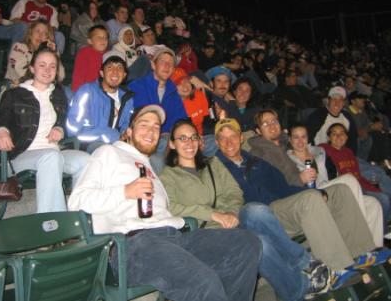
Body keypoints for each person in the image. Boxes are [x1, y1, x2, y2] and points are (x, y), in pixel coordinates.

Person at [68, 105, 261, 301]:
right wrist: (124, 192)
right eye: (144, 125)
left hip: (173, 237)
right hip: (134, 245)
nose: (151, 131)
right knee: (201, 279)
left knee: (246, 243)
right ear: (128, 132)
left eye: (156, 127)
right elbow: (76, 202)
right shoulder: (108, 153)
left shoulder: (150, 167)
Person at [160, 119, 332, 301]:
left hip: (233, 221)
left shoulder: (212, 164)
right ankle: (299, 288)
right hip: (207, 232)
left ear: (200, 141)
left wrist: (231, 213)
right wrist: (213, 214)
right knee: (259, 242)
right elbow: (171, 207)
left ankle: (305, 262)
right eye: (182, 138)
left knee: (255, 210)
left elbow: (234, 192)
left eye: (193, 137)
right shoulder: (167, 177)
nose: (189, 143)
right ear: (172, 143)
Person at [215, 118, 390, 272]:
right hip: (263, 215)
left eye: (233, 136)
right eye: (223, 138)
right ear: (216, 142)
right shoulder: (215, 168)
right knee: (310, 200)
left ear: (241, 138)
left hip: (285, 206)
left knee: (339, 191)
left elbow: (284, 187)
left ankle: (360, 254)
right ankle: (336, 267)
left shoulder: (257, 163)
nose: (228, 142)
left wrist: (316, 191)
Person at [0, 47, 89, 213]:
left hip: (54, 152)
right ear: (32, 68)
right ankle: (53, 223)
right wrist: (1, 131)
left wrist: (59, 128)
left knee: (86, 160)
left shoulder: (59, 95)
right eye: (42, 65)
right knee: (51, 157)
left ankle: (77, 213)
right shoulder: (15, 94)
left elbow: (62, 120)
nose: (47, 70)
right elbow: (0, 119)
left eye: (52, 66)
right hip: (21, 154)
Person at [287, 123, 383, 246]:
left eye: (303, 136)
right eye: (296, 137)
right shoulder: (287, 159)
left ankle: (374, 249)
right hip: (312, 194)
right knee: (348, 179)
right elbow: (290, 182)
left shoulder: (319, 151)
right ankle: (359, 238)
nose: (300, 141)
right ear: (290, 139)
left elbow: (333, 173)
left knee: (373, 204)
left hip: (329, 188)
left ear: (308, 138)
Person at [319, 123, 391, 233]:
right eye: (334, 134)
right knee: (384, 199)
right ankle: (383, 232)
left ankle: (380, 229)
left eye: (342, 133)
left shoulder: (348, 152)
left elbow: (358, 174)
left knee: (384, 195)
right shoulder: (325, 149)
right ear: (329, 137)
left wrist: (371, 186)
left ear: (347, 137)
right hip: (347, 188)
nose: (338, 136)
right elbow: (314, 151)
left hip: (361, 186)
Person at [128, 47, 187, 174]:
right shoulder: (137, 85)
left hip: (163, 141)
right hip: (139, 137)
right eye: (162, 62)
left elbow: (181, 121)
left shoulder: (173, 92)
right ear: (153, 65)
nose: (167, 66)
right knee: (158, 159)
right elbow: (132, 116)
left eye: (170, 64)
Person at [67, 50, 133, 152]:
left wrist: (125, 135)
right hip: (87, 145)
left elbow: (125, 128)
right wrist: (109, 134)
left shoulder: (127, 99)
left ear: (124, 74)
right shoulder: (87, 92)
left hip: (117, 146)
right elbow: (72, 129)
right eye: (110, 67)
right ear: (102, 73)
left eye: (120, 67)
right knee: (108, 151)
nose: (115, 71)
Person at [5, 19, 65, 87]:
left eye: (45, 33)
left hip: (44, 88)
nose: (40, 35)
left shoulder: (49, 54)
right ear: (30, 34)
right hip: (18, 87)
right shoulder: (19, 47)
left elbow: (61, 76)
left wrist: (54, 54)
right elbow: (21, 72)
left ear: (48, 38)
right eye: (37, 31)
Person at [71, 25, 108, 92]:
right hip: (87, 90)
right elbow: (79, 75)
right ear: (90, 41)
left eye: (105, 37)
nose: (103, 40)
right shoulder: (84, 53)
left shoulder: (109, 54)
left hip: (104, 91)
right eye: (99, 37)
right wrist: (78, 92)